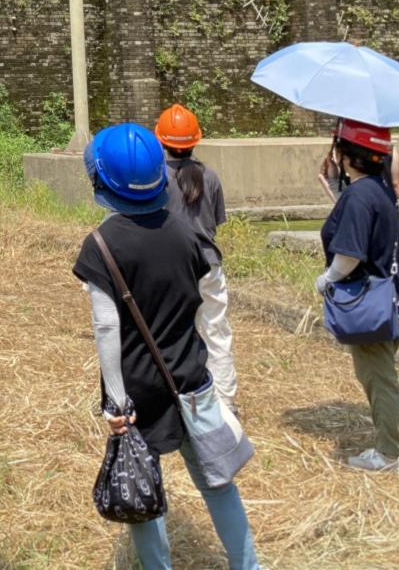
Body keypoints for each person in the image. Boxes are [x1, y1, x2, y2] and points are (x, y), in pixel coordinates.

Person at [75, 122, 262, 570]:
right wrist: (225, 383)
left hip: (137, 393)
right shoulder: (189, 234)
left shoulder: (101, 245)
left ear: (102, 182)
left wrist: (116, 400)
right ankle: (249, 566)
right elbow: (210, 310)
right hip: (192, 380)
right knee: (218, 483)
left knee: (142, 488)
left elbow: (106, 329)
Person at [317, 119, 399, 473]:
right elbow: (359, 217)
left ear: (348, 156)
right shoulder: (378, 189)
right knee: (382, 373)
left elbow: (350, 254)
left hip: (374, 303)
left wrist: (327, 278)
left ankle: (388, 454)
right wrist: (338, 185)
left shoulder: (359, 196)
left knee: (376, 376)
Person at [154, 103, 239, 410]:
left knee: (171, 332)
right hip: (208, 265)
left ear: (161, 140)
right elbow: (213, 224)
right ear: (195, 141)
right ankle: (226, 402)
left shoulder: (157, 178)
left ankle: (176, 395)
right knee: (216, 331)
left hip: (171, 268)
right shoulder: (211, 177)